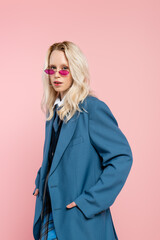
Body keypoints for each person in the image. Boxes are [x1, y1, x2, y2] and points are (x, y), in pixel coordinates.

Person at [32, 41, 133, 240]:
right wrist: (41, 179)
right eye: (53, 68)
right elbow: (57, 156)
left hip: (80, 221)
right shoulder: (54, 113)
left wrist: (89, 202)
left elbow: (122, 157)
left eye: (64, 69)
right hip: (50, 214)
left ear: (76, 70)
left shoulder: (92, 109)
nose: (57, 75)